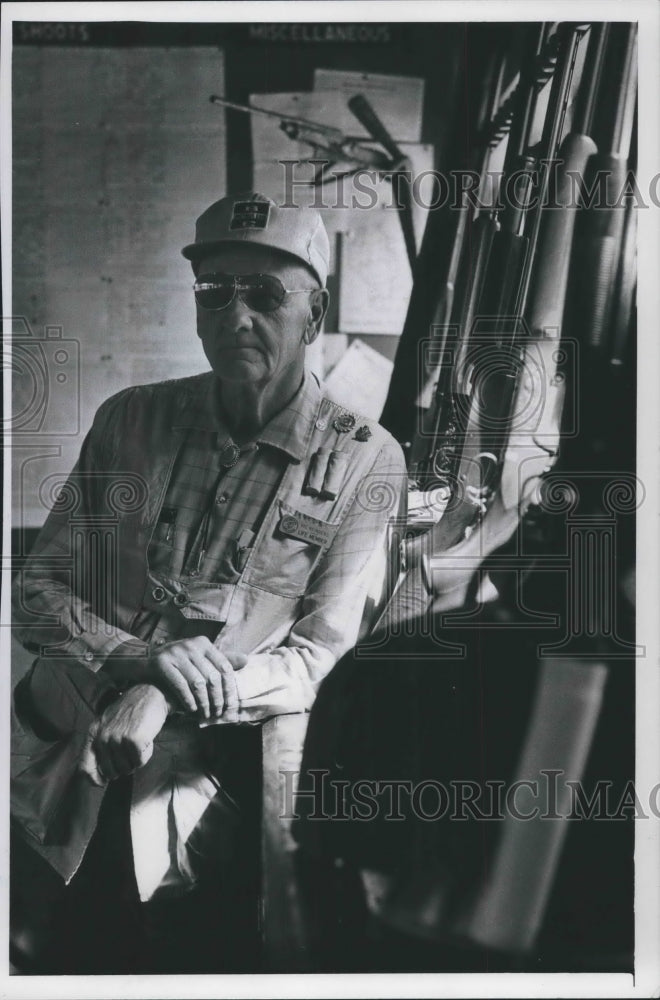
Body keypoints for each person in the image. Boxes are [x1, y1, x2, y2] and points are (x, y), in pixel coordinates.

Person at [11, 192, 407, 974]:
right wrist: (136, 659)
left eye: (265, 295)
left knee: (180, 962)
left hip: (212, 790)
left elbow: (318, 658)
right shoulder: (130, 421)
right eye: (214, 292)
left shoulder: (366, 460)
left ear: (314, 313)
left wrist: (164, 693)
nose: (237, 316)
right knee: (51, 959)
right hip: (65, 759)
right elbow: (37, 592)